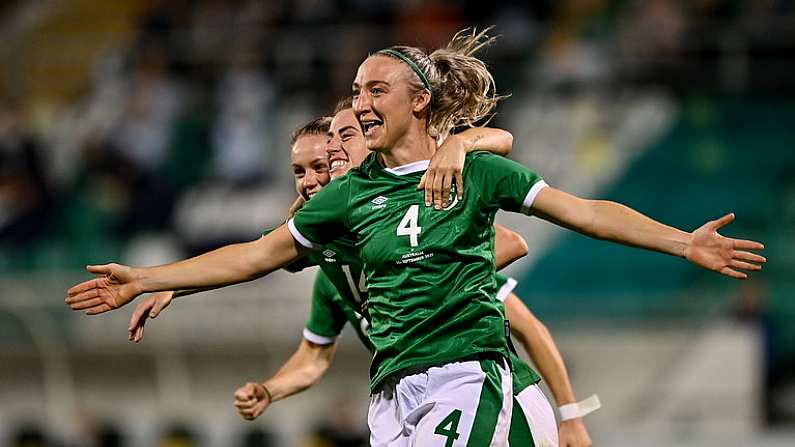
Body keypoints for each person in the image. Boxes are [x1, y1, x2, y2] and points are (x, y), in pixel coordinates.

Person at [66, 28, 765, 446]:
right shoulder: (347, 199)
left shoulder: (478, 170)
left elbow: (578, 209)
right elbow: (254, 254)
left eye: (375, 91)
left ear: (419, 101)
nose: (360, 104)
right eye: (356, 90)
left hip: (469, 375)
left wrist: (680, 242)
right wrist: (152, 278)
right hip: (388, 392)